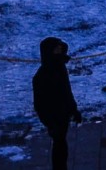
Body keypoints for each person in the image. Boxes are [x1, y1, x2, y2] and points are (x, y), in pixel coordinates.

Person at [32, 37, 82, 170]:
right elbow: (39, 104)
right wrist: (50, 123)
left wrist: (73, 109)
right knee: (59, 146)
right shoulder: (41, 76)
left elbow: (67, 91)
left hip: (63, 113)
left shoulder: (60, 67)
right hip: (54, 117)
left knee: (61, 145)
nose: (60, 50)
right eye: (56, 48)